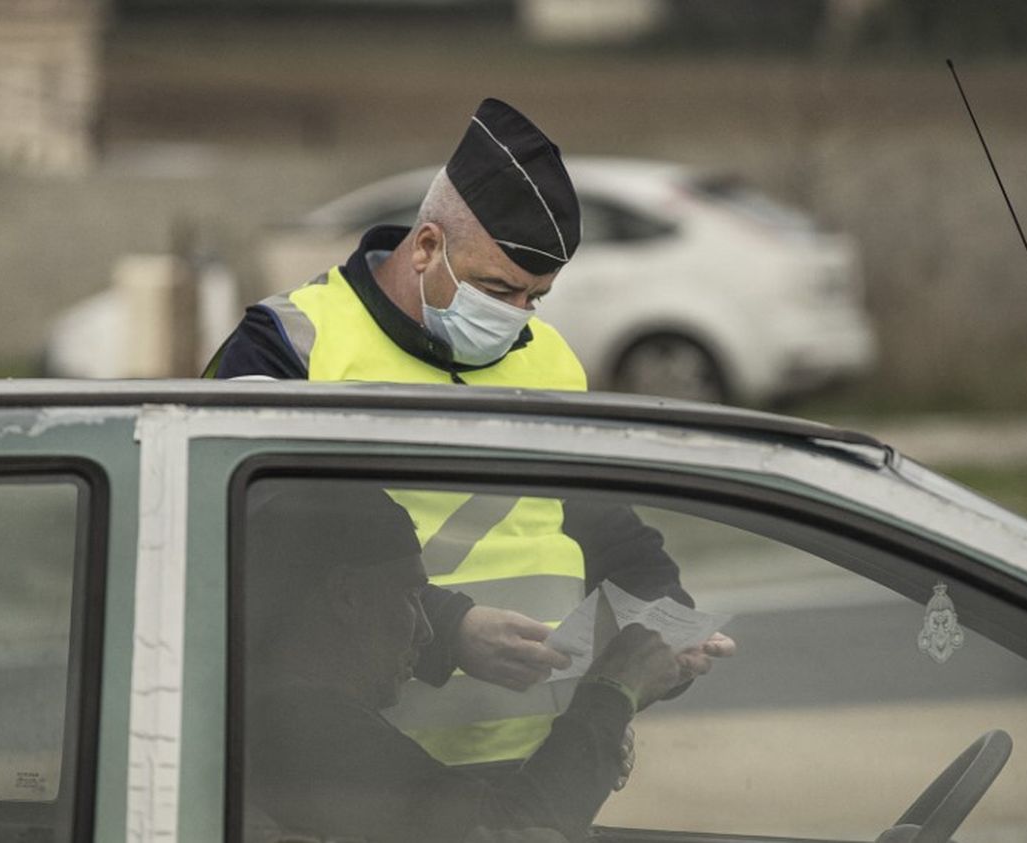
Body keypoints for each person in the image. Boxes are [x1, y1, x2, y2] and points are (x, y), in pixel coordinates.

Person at [208, 98, 734, 765]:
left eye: (534, 297)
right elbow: (249, 549)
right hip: (347, 783)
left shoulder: (548, 362)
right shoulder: (291, 346)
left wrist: (666, 622)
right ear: (427, 245)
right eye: (497, 289)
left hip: (528, 786)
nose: (515, 317)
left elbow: (609, 530)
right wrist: (445, 632)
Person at [242, 484, 688, 843]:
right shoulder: (311, 736)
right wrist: (611, 694)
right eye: (411, 597)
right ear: (346, 596)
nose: (428, 632)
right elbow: (514, 832)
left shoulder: (293, 719)